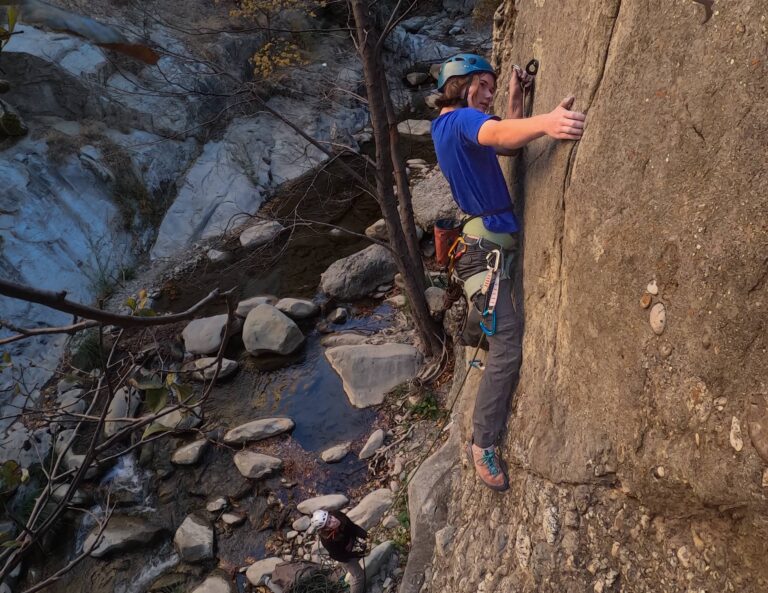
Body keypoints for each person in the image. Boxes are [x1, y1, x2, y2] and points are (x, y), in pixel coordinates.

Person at [431, 53, 586, 491]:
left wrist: (517, 103)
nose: (488, 93)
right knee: (507, 343)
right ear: (458, 85)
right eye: (482, 84)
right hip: (485, 253)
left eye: (493, 87)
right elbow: (497, 132)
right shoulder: (459, 120)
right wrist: (548, 122)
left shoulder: (451, 127)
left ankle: (474, 325)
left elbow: (503, 143)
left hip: (486, 248)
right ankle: (482, 442)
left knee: (500, 328)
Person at [311, 509, 368, 593]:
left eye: (330, 517)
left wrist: (365, 535)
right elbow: (339, 556)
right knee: (358, 577)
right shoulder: (327, 541)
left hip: (348, 540)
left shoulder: (338, 515)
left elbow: (352, 527)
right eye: (329, 522)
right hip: (342, 554)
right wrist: (357, 554)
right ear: (326, 529)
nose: (334, 520)